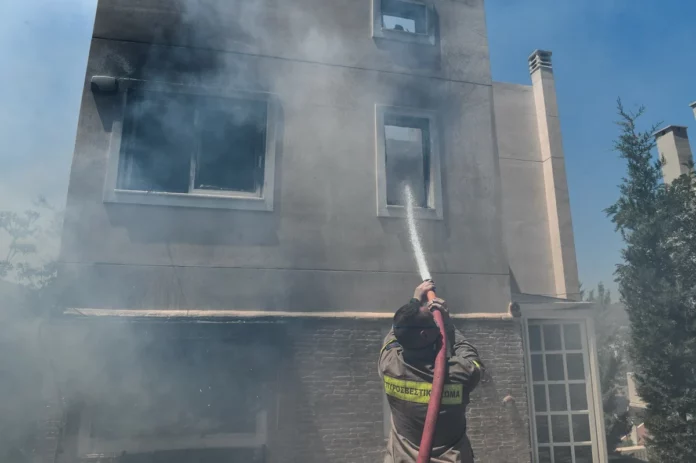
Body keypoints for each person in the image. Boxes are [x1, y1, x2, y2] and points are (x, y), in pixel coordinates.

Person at [379, 281, 485, 463]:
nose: (437, 323)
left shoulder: (388, 364)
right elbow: (472, 360)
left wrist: (414, 301)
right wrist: (447, 323)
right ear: (425, 335)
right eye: (433, 321)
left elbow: (394, 334)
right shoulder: (458, 373)